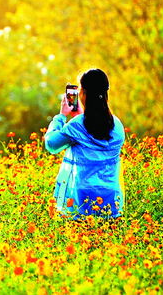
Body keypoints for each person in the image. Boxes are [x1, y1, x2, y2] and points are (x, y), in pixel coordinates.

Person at [45, 68, 125, 219]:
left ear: (83, 93)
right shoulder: (118, 125)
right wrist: (81, 115)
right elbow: (96, 132)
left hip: (83, 199)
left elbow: (51, 144)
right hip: (111, 198)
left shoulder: (77, 125)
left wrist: (61, 116)